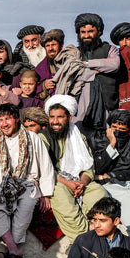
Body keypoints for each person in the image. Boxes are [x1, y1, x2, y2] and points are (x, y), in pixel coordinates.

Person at [0, 102, 54, 258]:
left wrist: (46, 194)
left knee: (26, 205)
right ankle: (13, 249)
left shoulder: (33, 138)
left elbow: (46, 166)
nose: (4, 124)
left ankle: (11, 249)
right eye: (1, 120)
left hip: (27, 184)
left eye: (8, 119)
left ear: (17, 120)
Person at [41, 95, 108, 242]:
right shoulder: (43, 137)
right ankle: (83, 239)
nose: (55, 121)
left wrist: (82, 183)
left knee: (99, 192)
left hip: (79, 180)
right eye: (52, 117)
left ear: (69, 118)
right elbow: (42, 168)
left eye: (60, 117)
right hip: (57, 180)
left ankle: (91, 231)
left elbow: (88, 167)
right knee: (60, 195)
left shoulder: (78, 136)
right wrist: (68, 183)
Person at [89, 108, 130, 232]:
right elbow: (97, 167)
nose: (117, 130)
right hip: (106, 183)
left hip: (125, 180)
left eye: (122, 129)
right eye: (114, 127)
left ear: (128, 129)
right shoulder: (98, 139)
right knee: (129, 199)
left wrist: (111, 174)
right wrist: (111, 144)